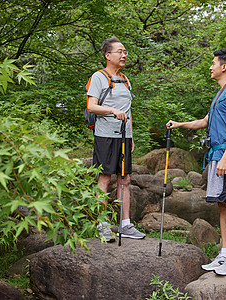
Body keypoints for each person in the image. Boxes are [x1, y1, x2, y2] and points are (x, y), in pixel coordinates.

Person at [167, 49, 226, 275]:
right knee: (222, 204)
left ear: (224, 67)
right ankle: (224, 254)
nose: (210, 67)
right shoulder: (220, 93)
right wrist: (180, 124)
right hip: (216, 155)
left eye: (213, 63)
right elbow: (204, 122)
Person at [87, 36, 145, 242]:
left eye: (125, 52)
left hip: (124, 137)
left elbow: (129, 110)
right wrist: (112, 110)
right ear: (107, 55)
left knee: (125, 179)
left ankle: (125, 224)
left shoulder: (126, 79)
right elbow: (91, 106)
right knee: (104, 178)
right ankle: (102, 225)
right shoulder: (99, 77)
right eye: (120, 51)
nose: (124, 55)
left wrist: (132, 135)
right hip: (105, 136)